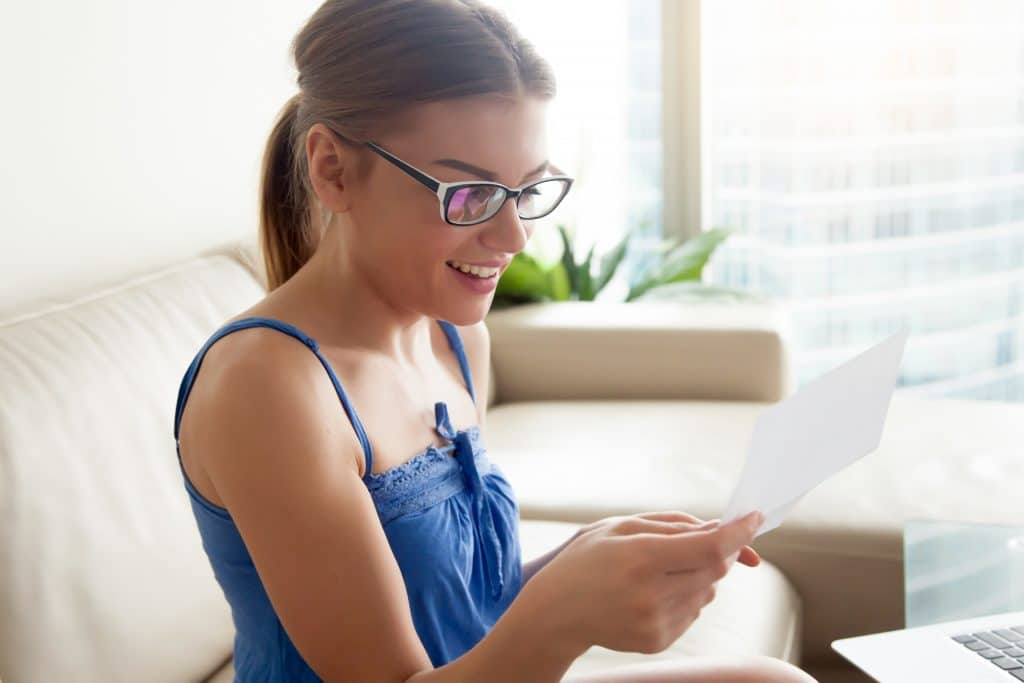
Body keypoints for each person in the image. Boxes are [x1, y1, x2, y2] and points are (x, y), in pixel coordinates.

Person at [172, 1, 818, 681]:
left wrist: (585, 560)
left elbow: (463, 609)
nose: (513, 237)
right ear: (333, 169)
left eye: (527, 190)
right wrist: (565, 611)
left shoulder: (453, 340)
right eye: (470, 192)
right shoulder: (269, 386)